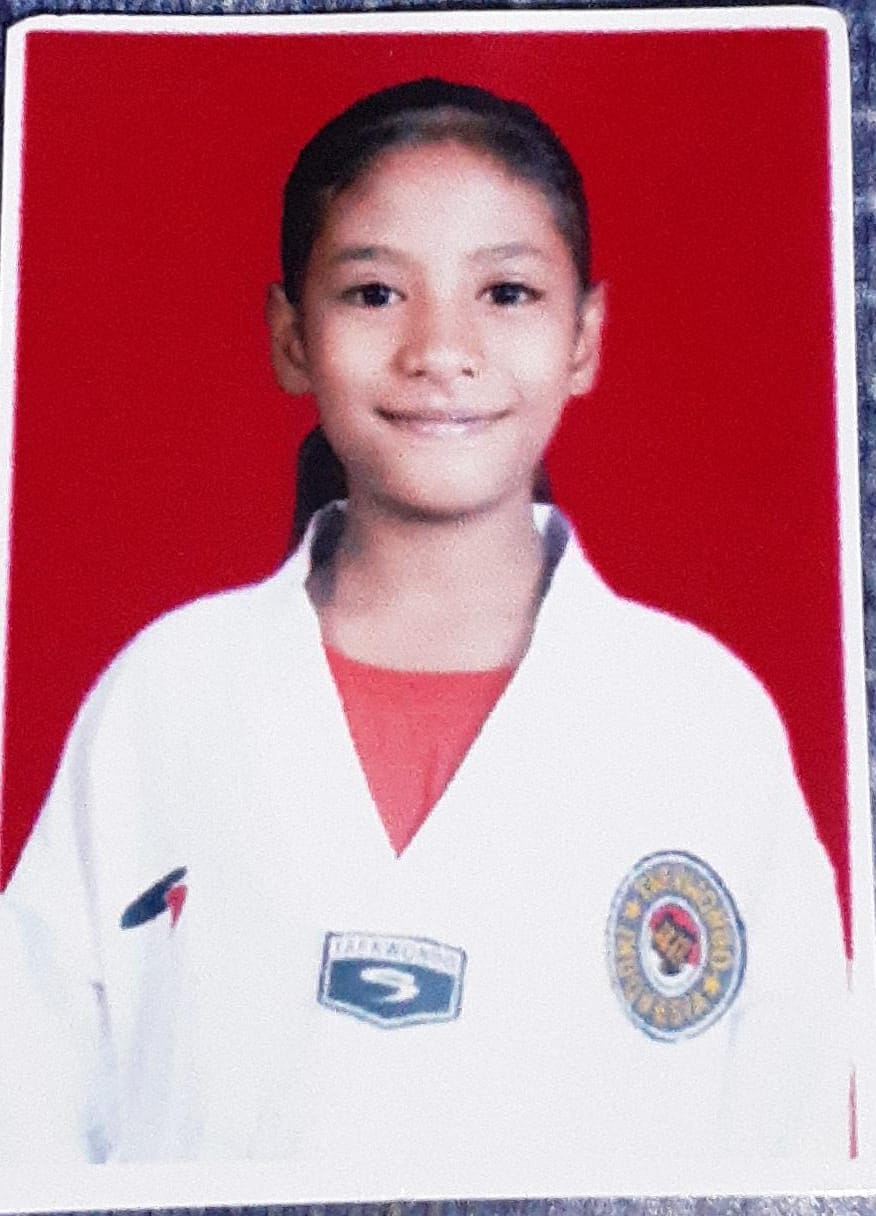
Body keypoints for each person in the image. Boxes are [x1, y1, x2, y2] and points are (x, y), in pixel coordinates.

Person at [0, 77, 852, 1189]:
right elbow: (29, 1099)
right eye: (373, 293)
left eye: (506, 292)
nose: (441, 350)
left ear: (585, 336)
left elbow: (795, 1130)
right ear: (290, 336)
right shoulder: (167, 696)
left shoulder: (700, 718)